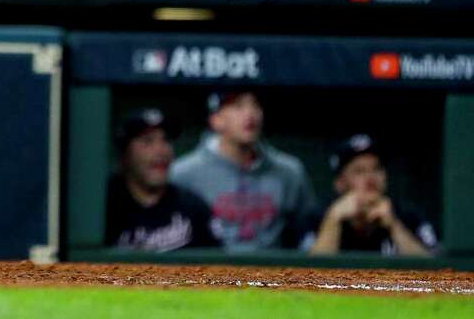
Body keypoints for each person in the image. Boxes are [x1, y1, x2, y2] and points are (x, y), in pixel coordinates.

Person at [171, 92, 316, 252]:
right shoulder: (183, 173)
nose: (250, 114)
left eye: (255, 105)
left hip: (273, 273)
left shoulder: (289, 171)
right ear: (216, 120)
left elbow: (308, 233)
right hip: (211, 272)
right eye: (238, 106)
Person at [106, 109, 220, 251]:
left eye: (166, 140)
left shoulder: (193, 207)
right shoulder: (104, 208)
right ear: (125, 155)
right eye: (148, 141)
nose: (161, 150)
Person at [309, 135, 437, 256]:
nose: (370, 178)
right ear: (340, 183)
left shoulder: (408, 217)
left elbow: (435, 272)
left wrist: (394, 226)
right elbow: (305, 274)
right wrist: (333, 220)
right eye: (359, 171)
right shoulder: (317, 219)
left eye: (376, 168)